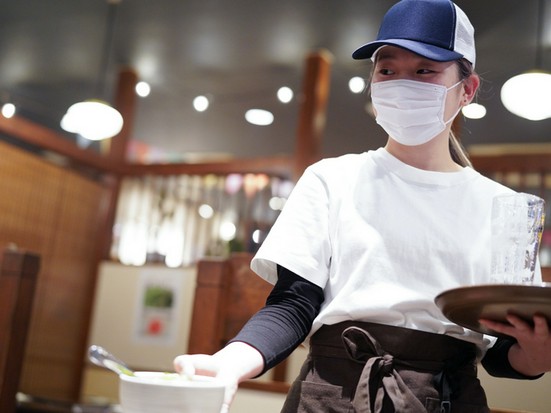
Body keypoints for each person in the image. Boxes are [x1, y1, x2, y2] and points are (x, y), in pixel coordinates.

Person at [174, 1, 551, 411]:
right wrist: (229, 363)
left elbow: (503, 351)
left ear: (467, 89)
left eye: (425, 70)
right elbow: (293, 303)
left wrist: (538, 355)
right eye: (387, 70)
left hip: (445, 399)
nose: (401, 84)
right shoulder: (332, 179)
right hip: (331, 396)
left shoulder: (507, 209)